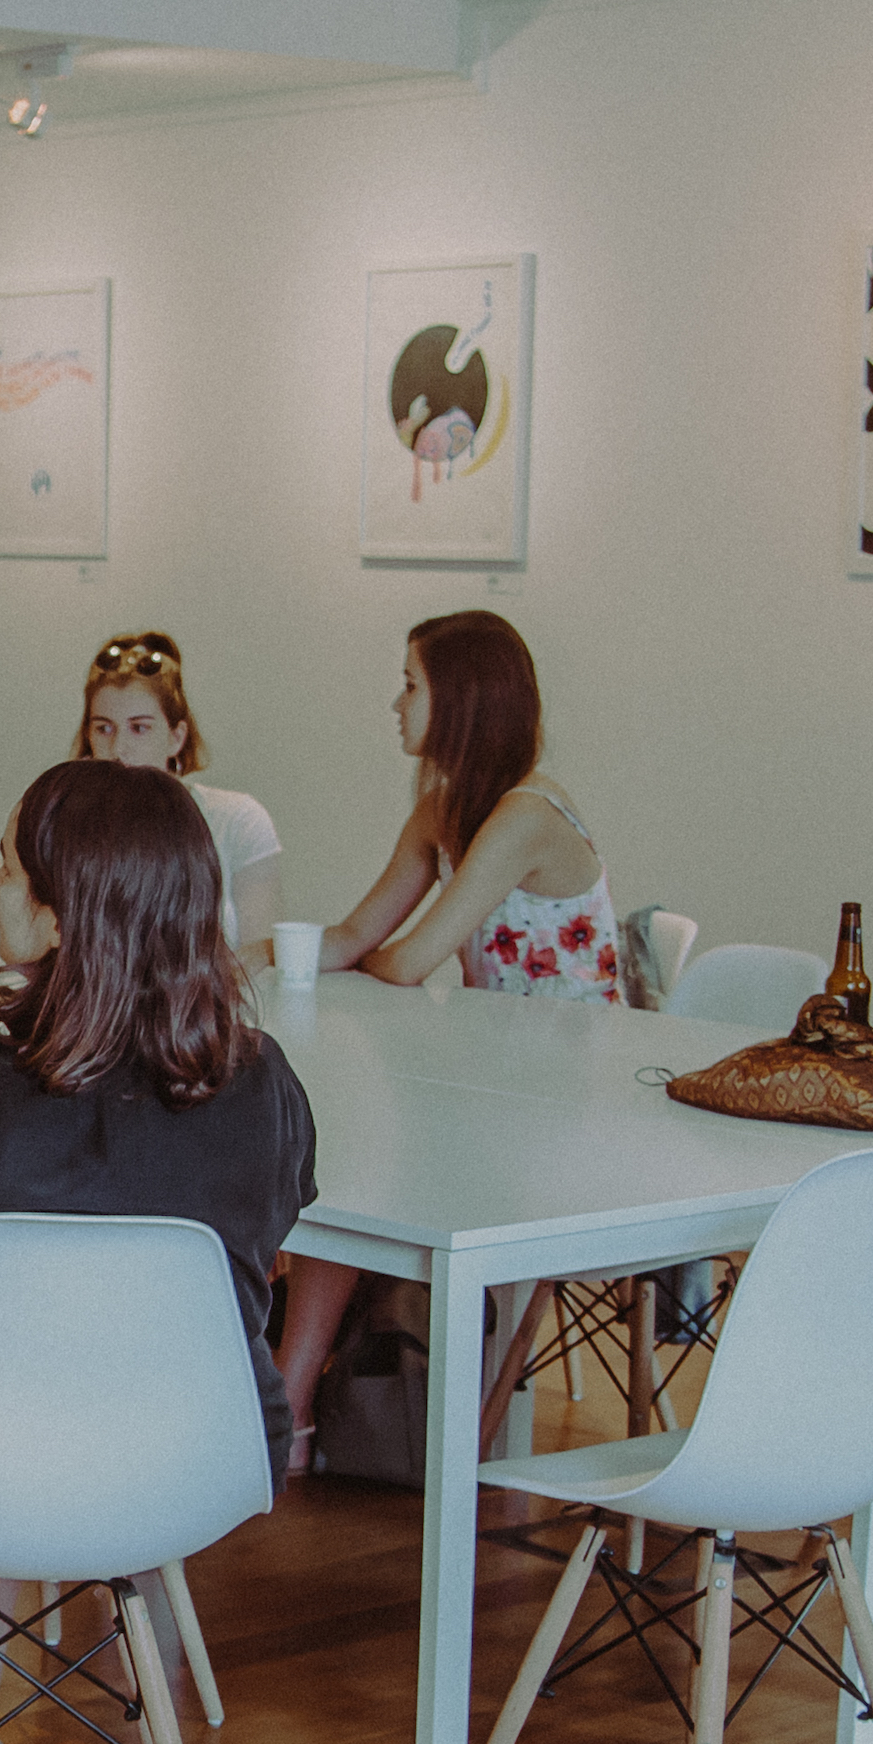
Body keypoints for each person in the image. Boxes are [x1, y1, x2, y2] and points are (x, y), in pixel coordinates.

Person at [0, 758, 319, 1744]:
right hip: (192, 1470)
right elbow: (255, 1266)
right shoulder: (264, 1086)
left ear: (60, 920)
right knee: (29, 1420)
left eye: (10, 872)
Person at [271, 609, 616, 1460]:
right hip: (495, 1074)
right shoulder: (442, 811)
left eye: (411, 684)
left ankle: (294, 1395)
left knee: (350, 1164)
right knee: (340, 1162)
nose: (395, 703)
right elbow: (356, 938)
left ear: (459, 701)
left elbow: (409, 957)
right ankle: (296, 1395)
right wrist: (220, 964)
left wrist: (361, 963)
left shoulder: (526, 816)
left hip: (571, 1103)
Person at [0, 629, 281, 953]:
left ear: (176, 737)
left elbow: (260, 952)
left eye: (139, 728)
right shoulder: (71, 820)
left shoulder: (238, 820)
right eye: (104, 728)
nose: (118, 747)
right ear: (88, 736)